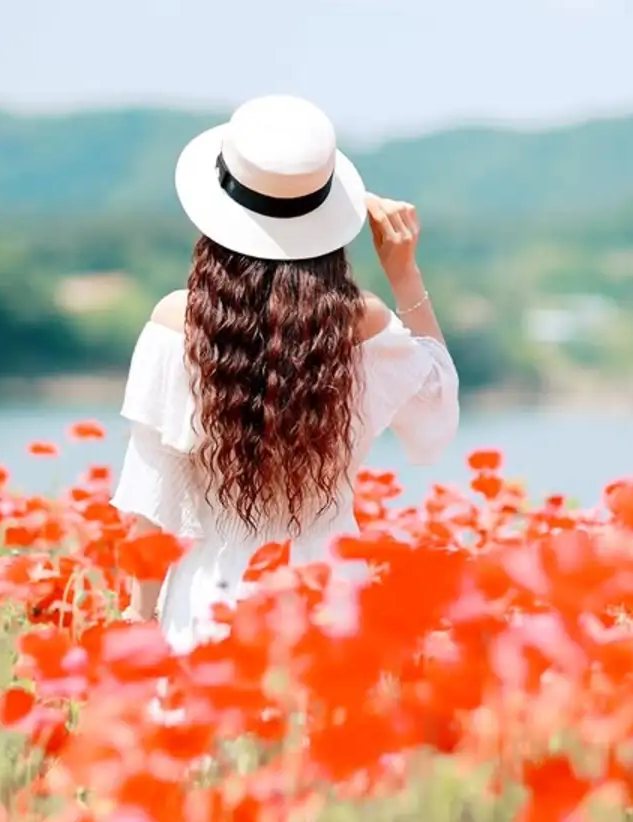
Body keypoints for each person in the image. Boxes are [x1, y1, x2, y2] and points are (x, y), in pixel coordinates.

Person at [111, 95, 460, 652]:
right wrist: (405, 274)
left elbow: (152, 499)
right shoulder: (365, 324)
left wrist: (138, 619)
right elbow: (438, 413)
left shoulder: (174, 324)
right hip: (327, 601)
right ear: (327, 215)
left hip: (207, 605)